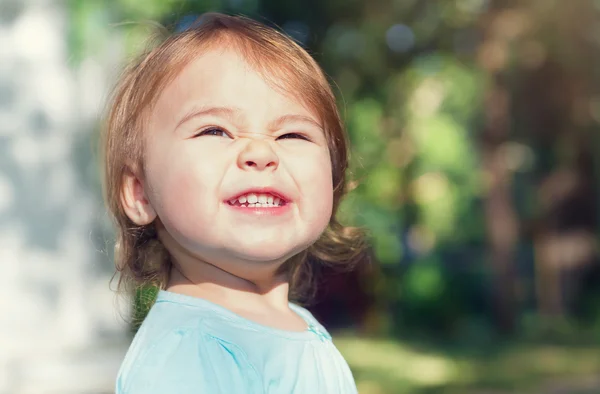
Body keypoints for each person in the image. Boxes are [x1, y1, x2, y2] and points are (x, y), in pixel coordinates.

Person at [102, 12, 367, 394]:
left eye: (292, 134)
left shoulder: (298, 325)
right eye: (215, 130)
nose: (261, 152)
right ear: (141, 192)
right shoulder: (185, 355)